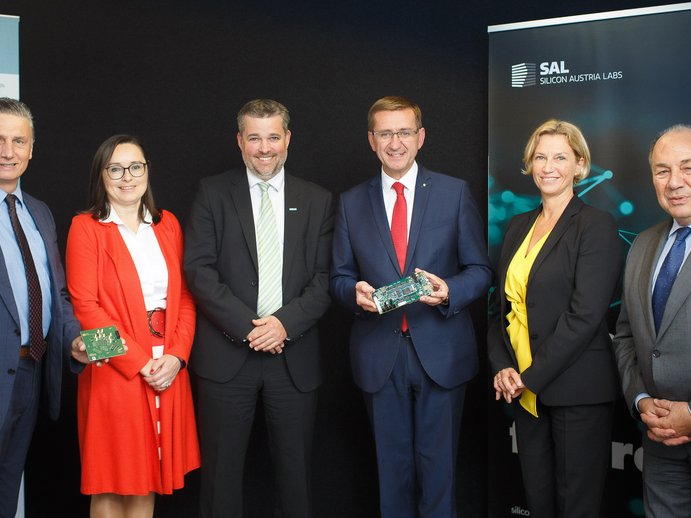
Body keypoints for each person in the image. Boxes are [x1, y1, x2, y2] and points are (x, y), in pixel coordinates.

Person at [330, 96, 491, 518]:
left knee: (440, 472)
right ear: (371, 140)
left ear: (420, 138)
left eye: (404, 132)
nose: (395, 142)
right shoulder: (350, 202)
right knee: (392, 472)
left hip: (441, 353)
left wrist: (450, 291)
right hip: (380, 356)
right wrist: (354, 294)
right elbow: (338, 278)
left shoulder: (454, 192)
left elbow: (479, 269)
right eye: (385, 133)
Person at [184, 98, 334, 518]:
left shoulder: (318, 199)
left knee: (296, 479)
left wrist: (282, 325)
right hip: (227, 357)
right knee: (220, 479)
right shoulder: (213, 192)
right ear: (239, 141)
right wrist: (250, 328)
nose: (264, 148)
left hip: (294, 357)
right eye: (254, 137)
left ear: (287, 139)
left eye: (272, 137)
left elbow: (325, 279)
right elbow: (198, 269)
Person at [488, 119, 623, 518]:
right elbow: (500, 310)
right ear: (529, 163)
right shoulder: (517, 227)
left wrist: (528, 376)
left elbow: (585, 316)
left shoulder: (596, 226)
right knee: (538, 502)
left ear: (580, 165)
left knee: (575, 506)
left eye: (560, 157)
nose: (549, 166)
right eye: (540, 157)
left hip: (576, 391)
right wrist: (502, 369)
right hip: (525, 393)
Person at [65, 134, 200, 517]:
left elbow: (187, 297)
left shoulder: (168, 225)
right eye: (116, 168)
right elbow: (85, 307)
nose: (127, 177)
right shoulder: (85, 227)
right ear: (102, 175)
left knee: (150, 476)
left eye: (135, 166)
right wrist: (139, 363)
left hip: (168, 366)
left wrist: (177, 356)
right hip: (115, 366)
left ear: (147, 172)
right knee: (111, 478)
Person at [0, 97, 87, 516]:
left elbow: (58, 294)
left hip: (31, 373)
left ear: (32, 149)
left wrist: (74, 340)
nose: (7, 151)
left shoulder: (41, 213)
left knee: (8, 482)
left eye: (18, 141)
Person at [613, 124, 691, 517]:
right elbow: (627, 334)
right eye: (662, 171)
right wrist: (641, 400)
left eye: (688, 167)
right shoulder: (643, 244)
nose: (674, 182)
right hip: (659, 440)